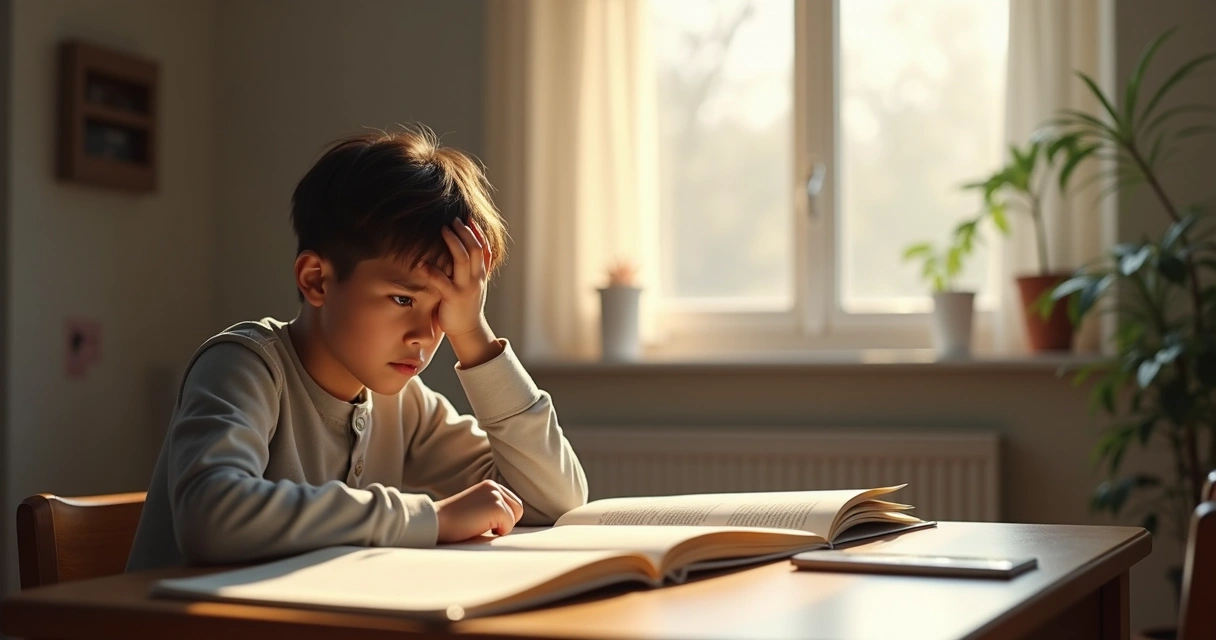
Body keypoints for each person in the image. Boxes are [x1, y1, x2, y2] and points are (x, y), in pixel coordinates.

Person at [126, 125, 588, 571]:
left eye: (444, 309)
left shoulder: (401, 404)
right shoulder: (244, 366)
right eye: (403, 299)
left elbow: (555, 499)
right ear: (316, 279)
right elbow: (213, 517)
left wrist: (473, 334)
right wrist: (431, 518)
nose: (424, 335)